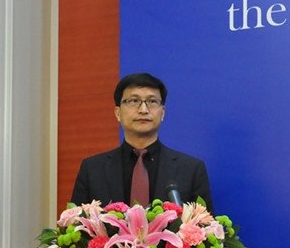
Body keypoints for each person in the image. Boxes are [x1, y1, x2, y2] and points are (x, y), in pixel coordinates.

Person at [70, 73, 213, 210]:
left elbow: (203, 225)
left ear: (162, 113)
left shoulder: (191, 170)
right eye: (133, 101)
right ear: (118, 113)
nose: (143, 110)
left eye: (152, 101)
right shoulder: (92, 169)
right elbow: (76, 224)